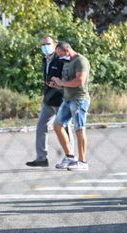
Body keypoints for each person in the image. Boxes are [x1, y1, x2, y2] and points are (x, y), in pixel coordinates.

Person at [26, 36, 73, 167]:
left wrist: (59, 85)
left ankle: (70, 157)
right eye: (43, 45)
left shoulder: (61, 59)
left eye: (48, 44)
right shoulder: (45, 60)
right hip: (48, 100)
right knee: (41, 126)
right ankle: (41, 158)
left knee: (65, 128)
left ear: (55, 45)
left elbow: (67, 77)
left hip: (61, 100)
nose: (45, 47)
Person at [49, 42, 91, 171]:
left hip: (79, 99)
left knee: (79, 128)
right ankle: (70, 157)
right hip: (67, 99)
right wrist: (57, 84)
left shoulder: (81, 61)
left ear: (67, 50)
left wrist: (61, 82)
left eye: (60, 54)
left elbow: (79, 82)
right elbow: (66, 83)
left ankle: (82, 161)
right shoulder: (67, 63)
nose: (59, 57)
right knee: (57, 125)